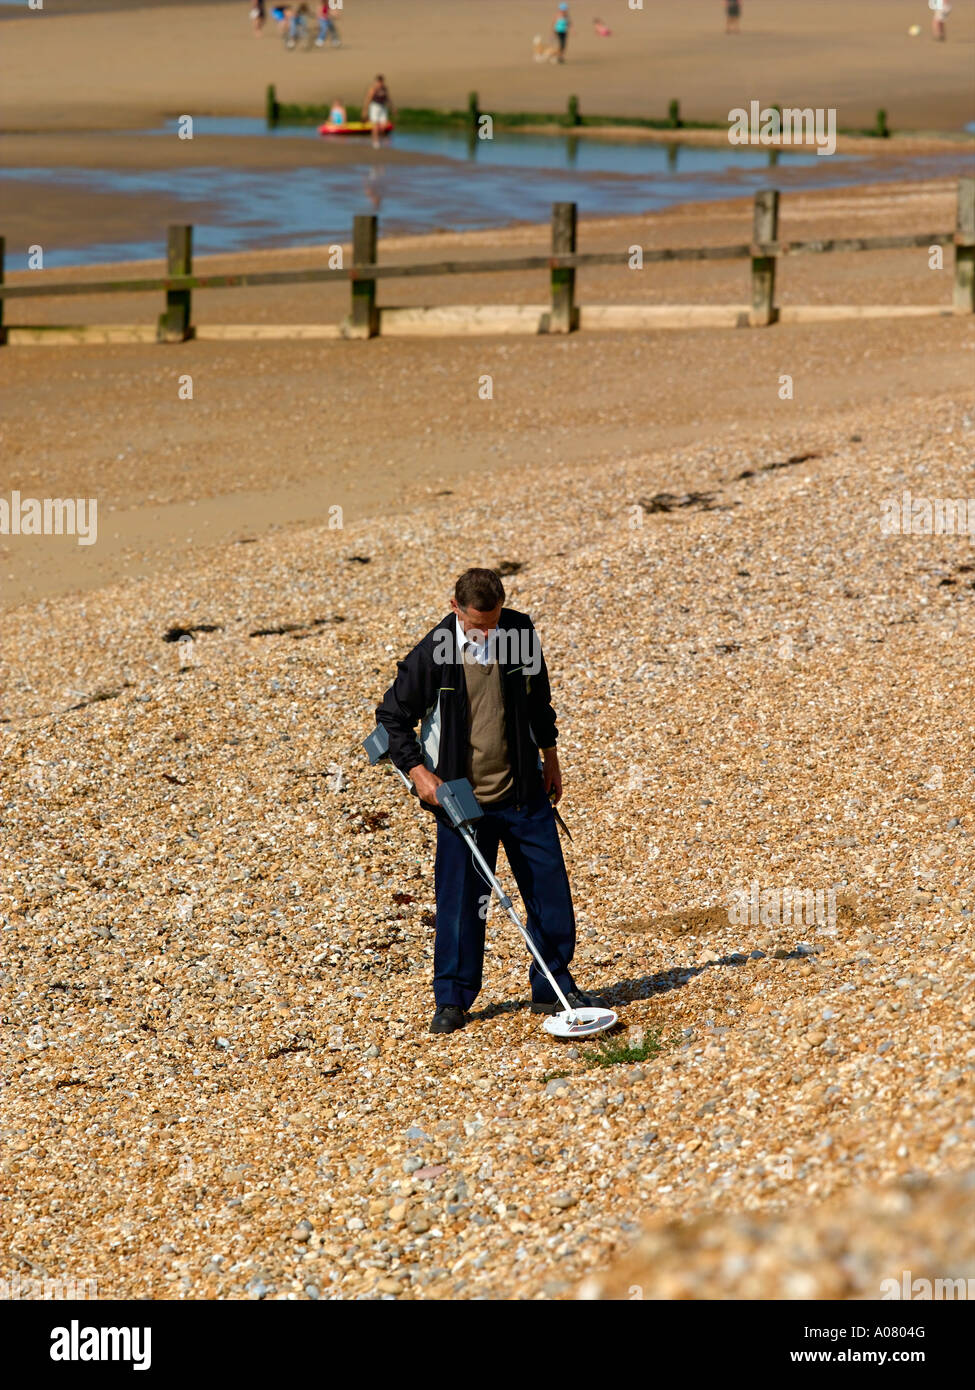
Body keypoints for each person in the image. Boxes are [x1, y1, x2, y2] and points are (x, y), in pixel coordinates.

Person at [375, 567, 603, 1035]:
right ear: (454, 607)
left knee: (550, 895)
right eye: (478, 625)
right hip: (462, 804)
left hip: (523, 793)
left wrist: (551, 758)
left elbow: (539, 700)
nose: (488, 633)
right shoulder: (434, 652)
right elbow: (391, 718)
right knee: (462, 904)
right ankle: (453, 1000)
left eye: (493, 622)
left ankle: (553, 986)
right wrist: (421, 775)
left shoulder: (518, 631)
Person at [363, 73, 393, 148]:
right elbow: (368, 99)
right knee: (375, 125)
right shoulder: (373, 89)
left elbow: (388, 98)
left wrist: (392, 107)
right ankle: (375, 142)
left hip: (383, 107)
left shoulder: (385, 89)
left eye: (381, 81)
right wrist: (365, 110)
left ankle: (381, 139)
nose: (380, 83)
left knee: (383, 125)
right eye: (378, 81)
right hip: (375, 106)